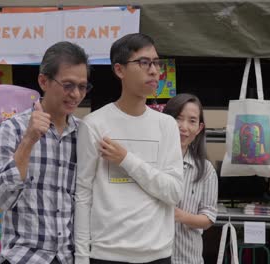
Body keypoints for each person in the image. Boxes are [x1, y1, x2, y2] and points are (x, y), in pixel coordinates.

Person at [74, 33, 184, 264]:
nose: (154, 70)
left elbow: (174, 192)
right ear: (119, 70)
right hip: (105, 254)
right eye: (144, 62)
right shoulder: (94, 124)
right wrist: (82, 257)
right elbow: (83, 195)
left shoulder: (166, 125)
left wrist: (126, 159)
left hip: (157, 254)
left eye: (156, 62)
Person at [0, 41, 91, 264]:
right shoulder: (13, 129)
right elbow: (2, 199)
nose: (75, 94)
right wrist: (29, 140)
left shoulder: (84, 134)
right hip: (24, 257)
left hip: (69, 257)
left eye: (82, 87)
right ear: (43, 81)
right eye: (67, 85)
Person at [163, 94, 218, 264]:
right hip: (152, 256)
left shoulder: (206, 170)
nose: (183, 127)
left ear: (200, 128)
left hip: (188, 258)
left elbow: (208, 218)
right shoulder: (151, 163)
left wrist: (177, 215)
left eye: (192, 121)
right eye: (178, 119)